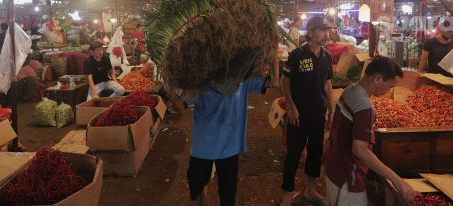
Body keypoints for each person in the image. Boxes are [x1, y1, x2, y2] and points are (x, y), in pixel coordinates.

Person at [172, 57, 278, 206]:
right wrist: (167, 86)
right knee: (196, 184)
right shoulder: (201, 85)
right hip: (204, 146)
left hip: (229, 147)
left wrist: (274, 58)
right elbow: (179, 105)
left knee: (228, 194)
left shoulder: (242, 81)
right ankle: (202, 196)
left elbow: (273, 83)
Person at [324, 56, 418, 205]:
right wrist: (397, 180)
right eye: (390, 85)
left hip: (334, 167)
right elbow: (360, 150)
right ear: (377, 78)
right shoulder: (365, 107)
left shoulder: (350, 90)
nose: (390, 89)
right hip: (348, 177)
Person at [280, 17, 334, 206]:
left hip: (318, 114)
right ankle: (287, 191)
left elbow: (328, 84)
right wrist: (291, 106)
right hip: (299, 115)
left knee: (315, 153)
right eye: (322, 30)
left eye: (327, 30)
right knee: (293, 153)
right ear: (311, 32)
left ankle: (310, 189)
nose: (326, 34)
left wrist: (332, 110)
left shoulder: (327, 56)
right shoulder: (297, 55)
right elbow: (284, 81)